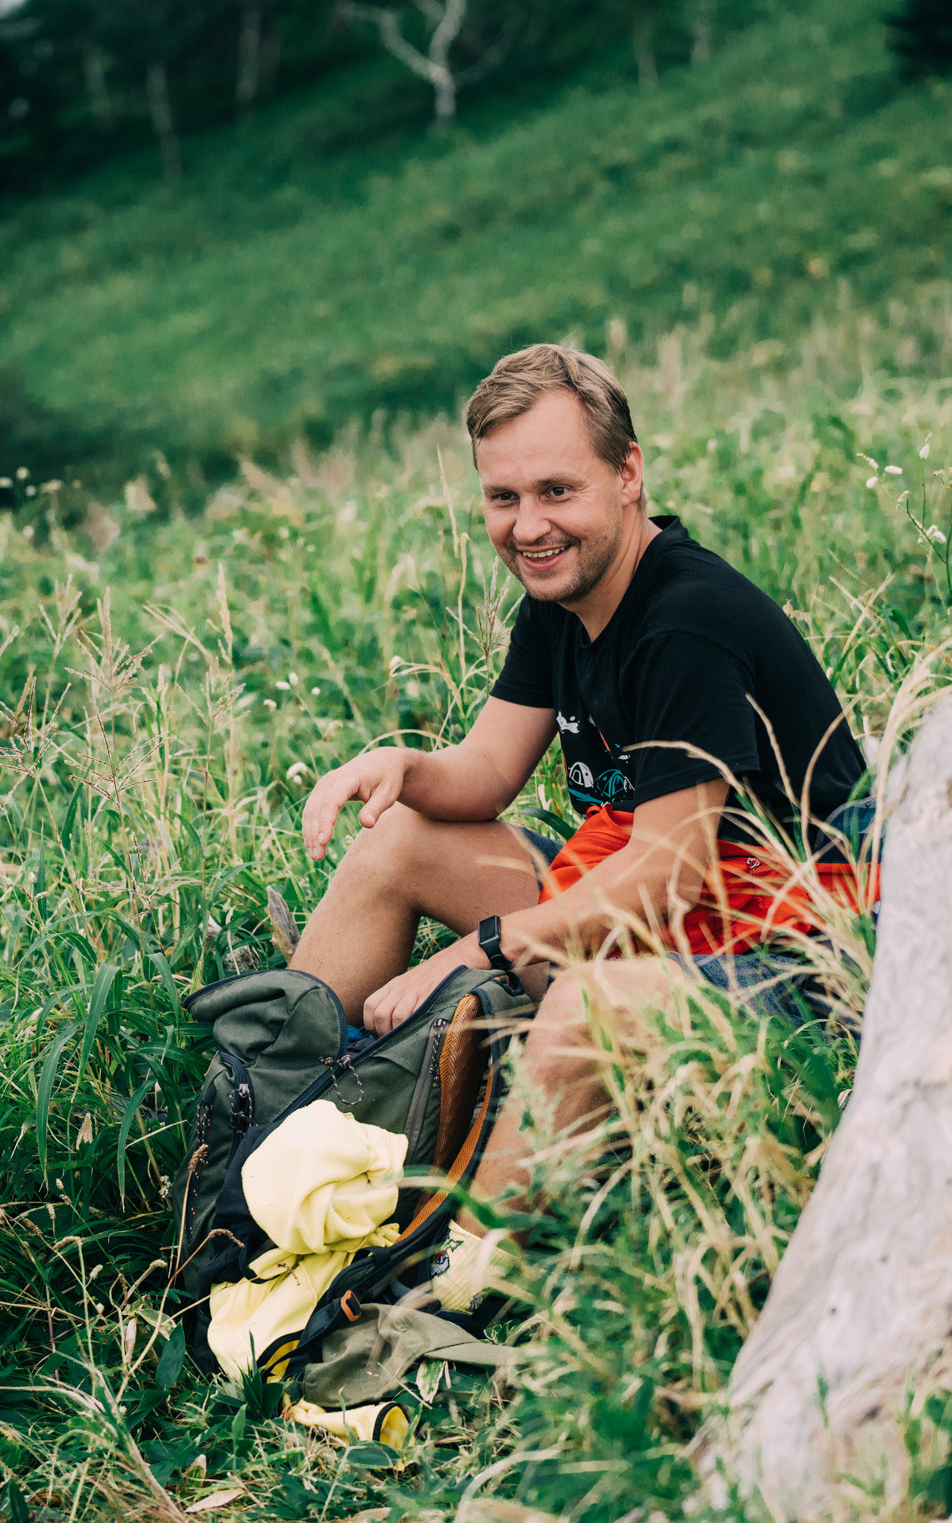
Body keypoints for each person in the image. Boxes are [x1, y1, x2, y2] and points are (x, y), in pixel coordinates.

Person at [289, 344, 874, 1210]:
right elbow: (486, 773)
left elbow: (669, 869)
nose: (528, 527)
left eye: (557, 492)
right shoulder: (560, 603)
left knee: (581, 1006)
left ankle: (450, 1279)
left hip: (794, 958)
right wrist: (403, 767)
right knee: (398, 842)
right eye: (503, 498)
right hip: (673, 914)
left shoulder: (686, 622)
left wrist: (480, 946)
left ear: (627, 473)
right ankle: (273, 1128)